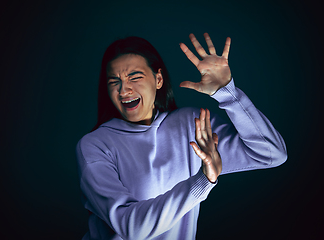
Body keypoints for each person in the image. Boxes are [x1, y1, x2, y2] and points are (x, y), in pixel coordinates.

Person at [76, 32, 287, 240]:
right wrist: (203, 181)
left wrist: (227, 93)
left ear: (158, 80)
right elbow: (132, 228)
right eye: (114, 81)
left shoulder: (191, 124)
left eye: (135, 77)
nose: (124, 90)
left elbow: (271, 153)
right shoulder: (94, 146)